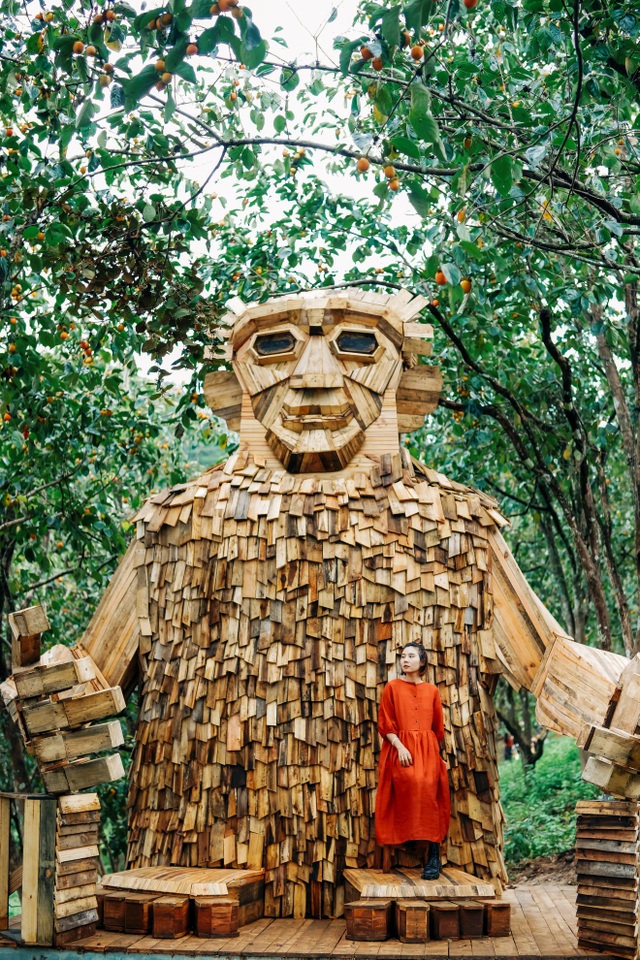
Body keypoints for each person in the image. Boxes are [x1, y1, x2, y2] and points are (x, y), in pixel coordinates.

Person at [375, 642, 451, 880]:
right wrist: (400, 746)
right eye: (402, 656)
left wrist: (435, 756)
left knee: (431, 788)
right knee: (410, 779)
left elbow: (438, 728)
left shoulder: (432, 691)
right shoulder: (392, 687)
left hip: (428, 750)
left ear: (422, 662)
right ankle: (404, 838)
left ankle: (434, 855)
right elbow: (385, 723)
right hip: (400, 749)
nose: (405, 660)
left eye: (410, 656)